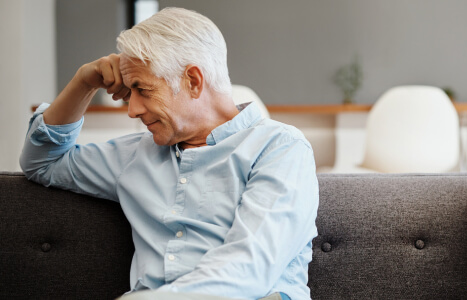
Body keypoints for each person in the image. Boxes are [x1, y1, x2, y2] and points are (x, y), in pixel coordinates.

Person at [19, 7, 318, 300]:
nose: (133, 110)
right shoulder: (135, 156)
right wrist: (84, 82)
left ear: (193, 81)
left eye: (143, 90)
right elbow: (42, 162)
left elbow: (249, 270)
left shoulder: (280, 148)